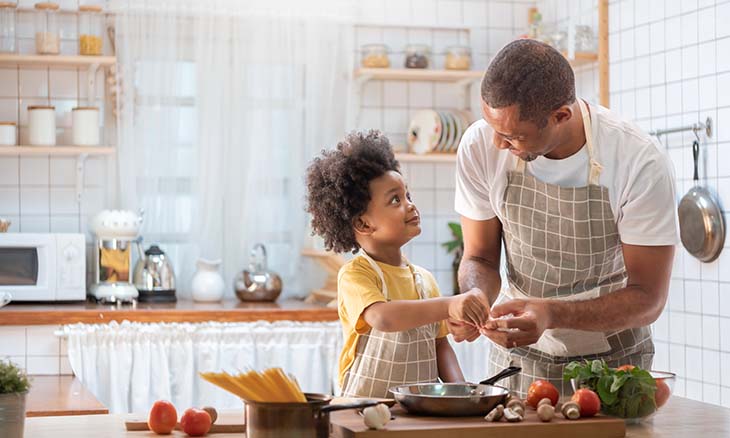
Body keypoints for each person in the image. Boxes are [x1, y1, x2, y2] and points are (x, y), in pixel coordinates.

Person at [450, 39, 678, 396]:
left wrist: (551, 314)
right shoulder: (479, 146)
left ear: (561, 116)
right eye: (492, 127)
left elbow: (648, 297)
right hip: (518, 362)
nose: (496, 144)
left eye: (512, 136)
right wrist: (475, 297)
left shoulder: (638, 160)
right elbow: (478, 256)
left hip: (613, 368)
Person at [305, 130, 489, 398]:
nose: (411, 206)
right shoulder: (357, 275)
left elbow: (440, 347)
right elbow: (383, 317)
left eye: (408, 196)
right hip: (364, 411)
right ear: (363, 223)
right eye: (395, 200)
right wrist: (449, 305)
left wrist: (462, 393)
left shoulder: (425, 281)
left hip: (419, 412)